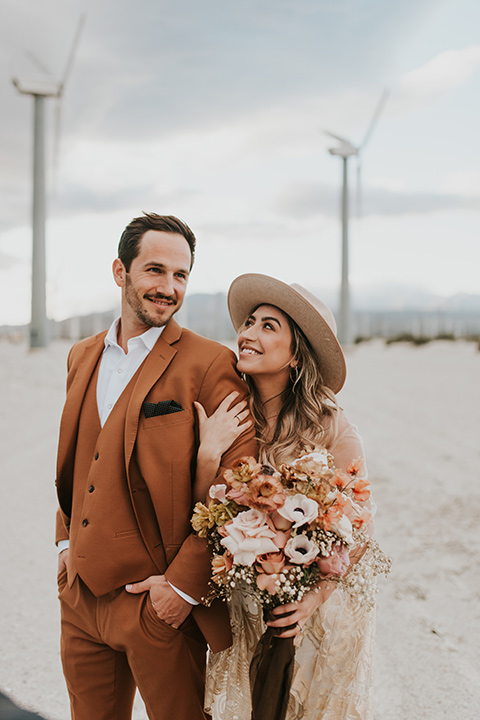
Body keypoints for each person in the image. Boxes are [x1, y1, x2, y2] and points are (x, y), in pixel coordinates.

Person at [55, 213, 256, 720]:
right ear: (121, 272)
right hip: (80, 599)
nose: (169, 288)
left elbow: (239, 489)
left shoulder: (210, 364)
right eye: (155, 271)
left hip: (159, 604)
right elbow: (77, 462)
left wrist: (182, 589)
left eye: (181, 275)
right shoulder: (81, 356)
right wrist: (64, 545)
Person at [195, 274, 376, 720]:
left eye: (268, 326)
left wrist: (309, 602)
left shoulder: (331, 426)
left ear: (296, 355)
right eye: (250, 322)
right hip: (243, 606)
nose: (249, 334)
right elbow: (199, 514)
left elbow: (359, 526)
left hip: (315, 613)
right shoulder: (227, 412)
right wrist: (207, 453)